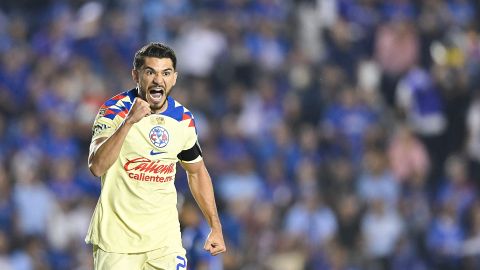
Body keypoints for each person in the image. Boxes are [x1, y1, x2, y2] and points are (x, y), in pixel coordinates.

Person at [85, 42, 226, 269]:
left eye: (166, 73)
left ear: (174, 78)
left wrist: (215, 227)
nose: (158, 80)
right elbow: (97, 166)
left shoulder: (183, 120)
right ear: (136, 75)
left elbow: (197, 173)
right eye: (150, 72)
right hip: (116, 243)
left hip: (164, 243)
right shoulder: (114, 110)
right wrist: (129, 122)